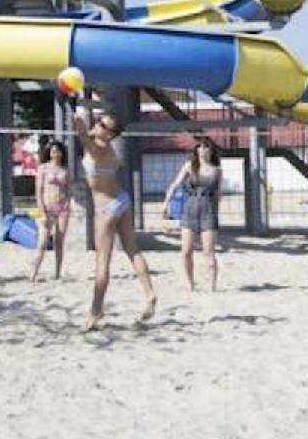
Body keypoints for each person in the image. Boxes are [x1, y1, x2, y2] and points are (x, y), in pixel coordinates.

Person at [74, 102, 158, 329]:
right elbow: (84, 132)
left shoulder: (98, 149)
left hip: (106, 208)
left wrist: (76, 111)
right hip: (122, 200)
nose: (97, 125)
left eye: (103, 125)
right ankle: (149, 293)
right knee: (133, 250)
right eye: (98, 121)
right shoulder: (108, 149)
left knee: (102, 262)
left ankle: (95, 312)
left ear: (110, 134)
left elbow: (81, 133)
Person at [163, 138, 223, 292]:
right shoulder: (189, 166)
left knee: (208, 252)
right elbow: (175, 184)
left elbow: (218, 195)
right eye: (200, 147)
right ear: (196, 150)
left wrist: (216, 214)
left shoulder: (217, 170)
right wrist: (166, 203)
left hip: (208, 211)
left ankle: (212, 286)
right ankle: (190, 283)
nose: (203, 149)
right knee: (186, 251)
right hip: (190, 210)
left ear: (211, 150)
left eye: (206, 147)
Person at [29, 139, 72, 282]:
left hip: (62, 207)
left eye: (58, 151)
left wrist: (68, 204)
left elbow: (68, 189)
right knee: (42, 242)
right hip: (47, 207)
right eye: (53, 151)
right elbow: (38, 191)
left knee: (59, 242)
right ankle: (34, 271)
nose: (56, 154)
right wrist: (42, 211)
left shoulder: (65, 170)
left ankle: (57, 273)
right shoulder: (43, 168)